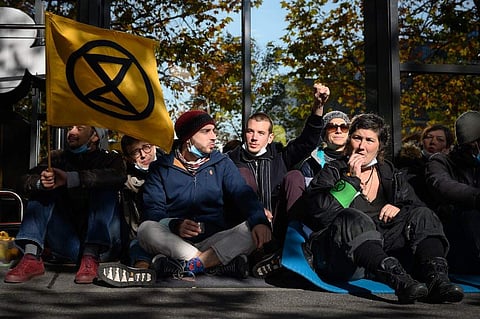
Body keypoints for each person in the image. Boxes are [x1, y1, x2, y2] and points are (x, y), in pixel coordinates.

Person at [257, 114, 463, 304]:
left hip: (382, 247)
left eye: (370, 140)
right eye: (357, 138)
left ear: (380, 146)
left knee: (423, 214)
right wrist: (351, 181)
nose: (362, 146)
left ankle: (438, 280)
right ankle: (399, 281)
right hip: (341, 254)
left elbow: (415, 206)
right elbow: (320, 214)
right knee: (352, 217)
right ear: (349, 142)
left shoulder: (389, 172)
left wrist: (398, 207)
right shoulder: (333, 170)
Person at [97, 110, 272, 287]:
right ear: (188, 138)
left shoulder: (222, 163)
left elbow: (243, 193)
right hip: (178, 243)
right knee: (146, 229)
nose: (214, 136)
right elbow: (153, 212)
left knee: (253, 228)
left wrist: (260, 221)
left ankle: (186, 266)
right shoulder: (161, 168)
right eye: (206, 131)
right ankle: (213, 264)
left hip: (217, 238)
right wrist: (175, 224)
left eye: (214, 130)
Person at [4, 125, 126, 284]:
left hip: (105, 246)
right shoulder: (56, 158)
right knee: (45, 187)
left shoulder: (111, 159)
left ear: (95, 136)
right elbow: (23, 180)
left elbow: (118, 176)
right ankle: (31, 256)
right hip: (67, 243)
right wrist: (41, 182)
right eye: (70, 128)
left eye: (79, 128)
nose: (72, 132)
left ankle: (91, 256)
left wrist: (71, 179)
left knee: (103, 186)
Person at [228, 83, 329, 244]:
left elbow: (307, 141)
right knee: (242, 175)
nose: (254, 138)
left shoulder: (281, 157)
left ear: (270, 138)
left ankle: (297, 244)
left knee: (295, 176)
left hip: (280, 225)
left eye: (260, 133)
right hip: (244, 227)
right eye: (250, 131)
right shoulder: (230, 161)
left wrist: (318, 107)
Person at [425, 110, 480, 274]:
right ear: (473, 144)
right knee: (471, 214)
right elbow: (443, 186)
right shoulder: (440, 162)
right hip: (456, 234)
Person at [119, 135, 159, 269]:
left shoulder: (172, 167)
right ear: (128, 158)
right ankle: (141, 270)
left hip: (172, 229)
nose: (143, 155)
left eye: (146, 147)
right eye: (135, 152)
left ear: (154, 146)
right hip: (141, 234)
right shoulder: (125, 179)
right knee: (137, 244)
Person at [397, 124, 453, 206]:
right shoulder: (409, 165)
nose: (433, 142)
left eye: (440, 139)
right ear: (422, 141)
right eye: (429, 137)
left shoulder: (454, 167)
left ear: (447, 147)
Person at [299, 110, 350, 186]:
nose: (338, 131)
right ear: (324, 134)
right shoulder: (311, 164)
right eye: (332, 127)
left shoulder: (359, 160)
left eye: (344, 127)